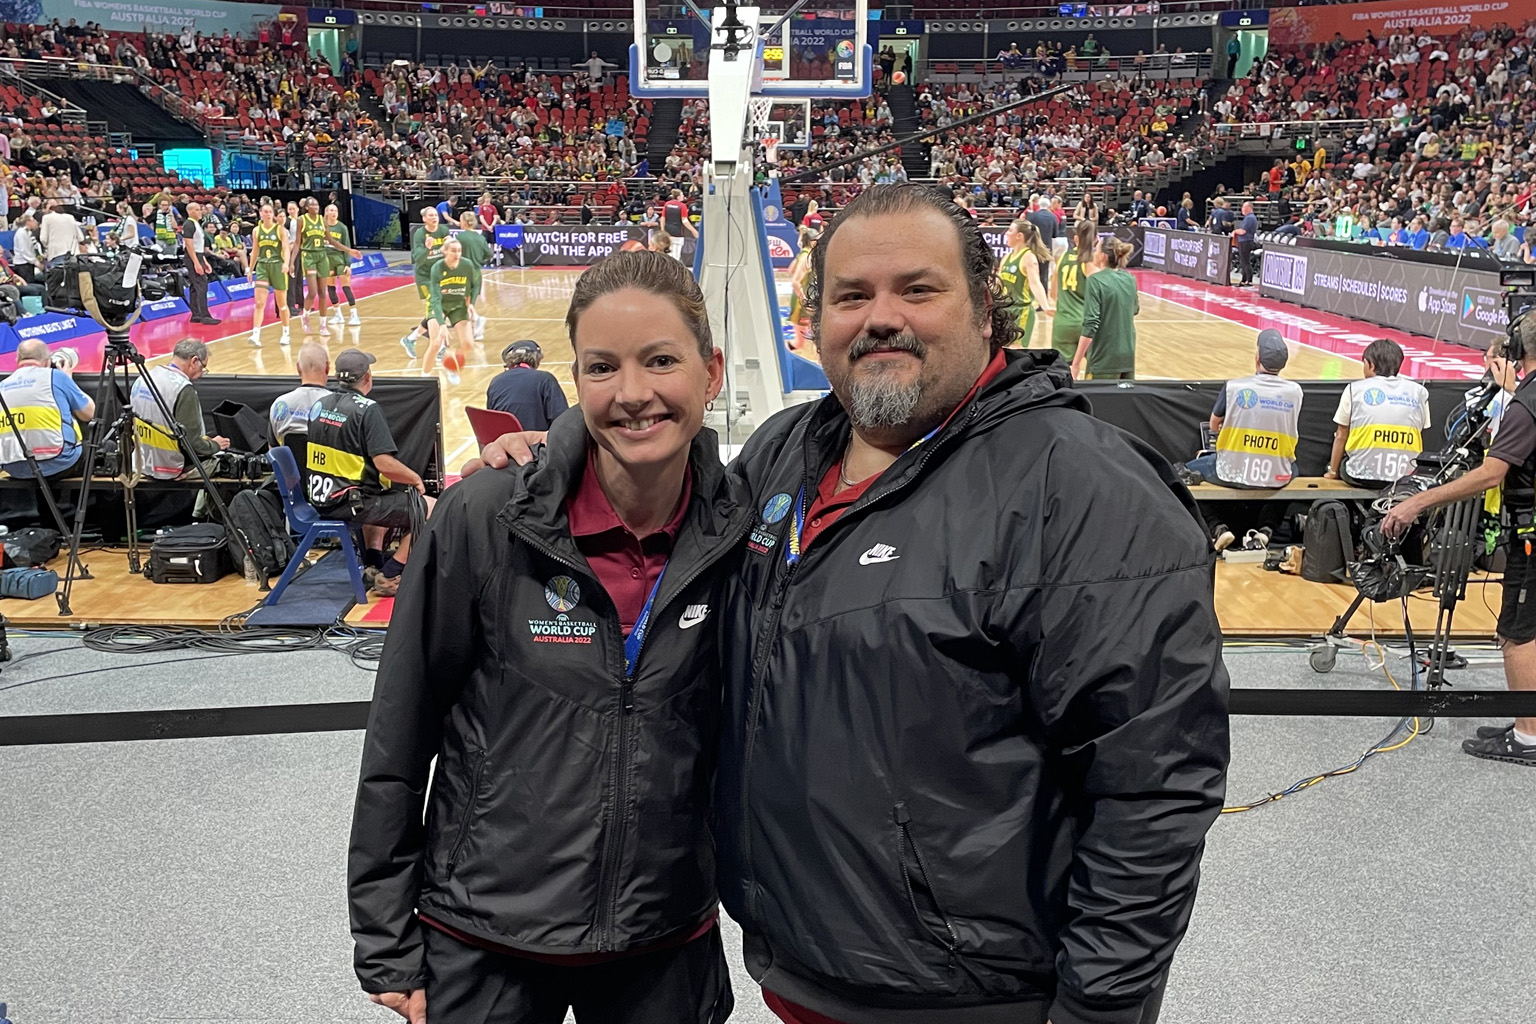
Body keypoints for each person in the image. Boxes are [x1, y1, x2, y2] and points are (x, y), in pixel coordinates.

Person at [477, 184, 1229, 1024]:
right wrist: (557, 454)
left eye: (917, 288)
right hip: (802, 970)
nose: (880, 318)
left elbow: (1152, 793)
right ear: (818, 317)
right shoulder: (784, 451)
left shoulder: (1082, 487)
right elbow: (655, 505)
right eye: (851, 295)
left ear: (986, 306)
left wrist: (1100, 1013)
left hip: (973, 1000)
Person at [348, 250, 741, 1024]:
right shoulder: (485, 518)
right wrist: (386, 938)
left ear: (711, 372)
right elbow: (399, 734)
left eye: (661, 360)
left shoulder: (742, 532)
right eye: (602, 367)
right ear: (577, 380)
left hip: (662, 938)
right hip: (486, 936)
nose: (632, 394)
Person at [1382, 315, 1536, 767]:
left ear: (1514, 352)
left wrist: (1417, 504)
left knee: (1517, 632)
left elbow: (1491, 472)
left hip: (1532, 535)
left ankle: (1528, 737)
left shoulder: (1527, 405)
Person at [304, 347, 432, 590]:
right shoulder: (367, 409)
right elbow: (384, 464)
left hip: (321, 500)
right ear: (367, 377)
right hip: (350, 504)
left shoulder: (319, 405)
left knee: (382, 497)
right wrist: (414, 478)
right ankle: (392, 574)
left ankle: (373, 564)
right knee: (429, 508)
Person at [1177, 329, 1302, 550]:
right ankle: (1266, 530)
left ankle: (1218, 528)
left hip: (1230, 470)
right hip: (1275, 473)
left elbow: (1214, 424)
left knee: (1184, 472)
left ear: (1257, 358)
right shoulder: (1296, 392)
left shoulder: (1234, 387)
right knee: (1293, 473)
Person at [131, 338, 229, 521]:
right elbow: (192, 445)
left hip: (141, 463)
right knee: (227, 464)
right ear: (194, 361)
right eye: (203, 368)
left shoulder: (144, 378)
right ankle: (203, 522)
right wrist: (215, 445)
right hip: (172, 468)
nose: (202, 374)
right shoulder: (183, 389)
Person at [1325, 339, 1431, 489]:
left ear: (1371, 365)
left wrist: (1333, 471)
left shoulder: (1354, 389)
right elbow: (1420, 430)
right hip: (1405, 477)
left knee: (1339, 456)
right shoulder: (1420, 392)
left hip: (1360, 476)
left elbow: (1341, 434)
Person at [0, 339, 95, 489]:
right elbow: (89, 414)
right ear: (47, 361)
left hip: (14, 468)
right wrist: (68, 380)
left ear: (17, 360)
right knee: (105, 449)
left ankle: (51, 512)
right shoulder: (56, 377)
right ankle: (92, 511)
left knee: (43, 466)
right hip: (59, 462)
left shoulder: (2, 386)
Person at [1072, 237, 1139, 380]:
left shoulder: (1095, 280)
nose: (1094, 254)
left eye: (1096, 250)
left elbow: (1090, 324)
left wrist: (1076, 363)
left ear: (1102, 256)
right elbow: (1135, 309)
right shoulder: (1130, 279)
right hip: (1127, 355)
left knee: (1097, 401)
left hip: (1104, 357)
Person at [425, 238, 482, 387]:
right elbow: (436, 299)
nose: (456, 254)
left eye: (459, 251)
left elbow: (475, 285)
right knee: (436, 343)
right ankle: (424, 377)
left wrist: (472, 304)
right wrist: (442, 325)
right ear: (445, 251)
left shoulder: (466, 265)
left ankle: (452, 366)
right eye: (453, 251)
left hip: (458, 305)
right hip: (439, 304)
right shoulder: (437, 268)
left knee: (468, 344)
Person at [399, 206, 453, 359]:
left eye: (435, 215)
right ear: (424, 219)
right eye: (430, 215)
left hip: (440, 276)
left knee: (441, 310)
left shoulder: (443, 230)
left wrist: (449, 245)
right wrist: (427, 249)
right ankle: (438, 348)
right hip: (425, 278)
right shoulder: (420, 234)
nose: (434, 217)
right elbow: (418, 259)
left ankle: (410, 339)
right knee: (435, 311)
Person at [268, 342, 332, 466]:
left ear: (298, 368)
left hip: (292, 483)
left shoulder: (279, 405)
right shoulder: (338, 406)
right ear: (327, 368)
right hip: (330, 481)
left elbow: (274, 452)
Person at [484, 339, 568, 431]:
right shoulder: (545, 379)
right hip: (535, 443)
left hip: (504, 443)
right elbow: (562, 419)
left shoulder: (495, 382)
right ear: (536, 359)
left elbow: (491, 420)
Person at [995, 218, 1053, 347]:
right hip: (1005, 310)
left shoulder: (1028, 257)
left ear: (1019, 236)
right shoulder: (1006, 258)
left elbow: (1035, 283)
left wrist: (1045, 305)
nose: (1006, 234)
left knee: (1016, 350)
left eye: (1010, 230)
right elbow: (999, 284)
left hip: (1021, 312)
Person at [247, 202, 292, 349]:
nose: (267, 214)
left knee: (282, 304)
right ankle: (256, 334)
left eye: (269, 212)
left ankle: (286, 332)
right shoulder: (256, 231)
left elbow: (286, 248)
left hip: (278, 266)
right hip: (263, 267)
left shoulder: (280, 230)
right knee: (259, 303)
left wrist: (286, 263)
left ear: (273, 214)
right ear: (260, 213)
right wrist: (250, 269)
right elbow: (255, 251)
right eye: (265, 211)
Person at [1050, 218, 1095, 363]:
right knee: (1094, 373)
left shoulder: (1063, 257)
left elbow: (1053, 293)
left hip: (1063, 322)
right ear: (1095, 240)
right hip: (1086, 322)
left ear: (1076, 239)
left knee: (1063, 372)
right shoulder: (1091, 261)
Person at [322, 203, 363, 328]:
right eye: (331, 210)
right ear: (327, 213)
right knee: (331, 287)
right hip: (327, 260)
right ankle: (337, 314)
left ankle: (354, 314)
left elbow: (346, 245)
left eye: (336, 210)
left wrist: (348, 264)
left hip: (339, 259)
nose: (334, 213)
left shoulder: (342, 228)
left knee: (346, 286)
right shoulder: (322, 227)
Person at [181, 202, 221, 327]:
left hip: (198, 255)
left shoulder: (196, 224)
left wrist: (204, 261)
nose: (200, 212)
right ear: (190, 211)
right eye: (197, 210)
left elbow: (198, 246)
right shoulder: (188, 224)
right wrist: (196, 263)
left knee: (194, 286)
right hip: (192, 256)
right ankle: (205, 315)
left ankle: (196, 314)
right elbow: (189, 245)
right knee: (201, 285)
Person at [453, 211, 493, 339]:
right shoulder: (480, 238)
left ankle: (477, 321)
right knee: (468, 304)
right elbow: (489, 255)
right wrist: (480, 260)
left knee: (462, 303)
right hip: (477, 273)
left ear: (464, 222)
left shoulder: (460, 238)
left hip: (463, 274)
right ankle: (477, 330)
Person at [297, 197, 333, 335]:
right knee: (312, 292)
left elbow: (328, 239)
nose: (316, 206)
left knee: (323, 293)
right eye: (312, 204)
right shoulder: (302, 220)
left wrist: (346, 250)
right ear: (306, 207)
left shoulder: (322, 220)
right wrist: (291, 262)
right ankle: (305, 316)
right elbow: (297, 243)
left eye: (317, 204)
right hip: (308, 256)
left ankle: (323, 325)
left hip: (321, 256)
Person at [786, 230, 816, 351]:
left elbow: (790, 269)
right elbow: (795, 282)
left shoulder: (803, 254)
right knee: (801, 342)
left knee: (815, 339)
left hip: (805, 300)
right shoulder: (806, 257)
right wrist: (805, 302)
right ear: (812, 241)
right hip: (802, 303)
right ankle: (780, 355)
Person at [662, 188, 698, 260]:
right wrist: (693, 230)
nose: (683, 196)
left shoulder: (667, 204)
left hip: (668, 232)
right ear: (678, 197)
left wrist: (663, 230)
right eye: (682, 195)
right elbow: (684, 220)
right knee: (676, 255)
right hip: (678, 233)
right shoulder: (682, 206)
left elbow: (663, 218)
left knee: (668, 254)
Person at [1233, 200, 1259, 286]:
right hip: (1243, 241)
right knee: (1243, 261)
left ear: (1248, 208)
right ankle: (1244, 279)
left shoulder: (1250, 218)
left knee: (1245, 261)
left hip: (1246, 241)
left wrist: (1235, 231)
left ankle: (1249, 279)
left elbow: (1243, 231)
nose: (1242, 209)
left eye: (1243, 207)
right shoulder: (1248, 217)